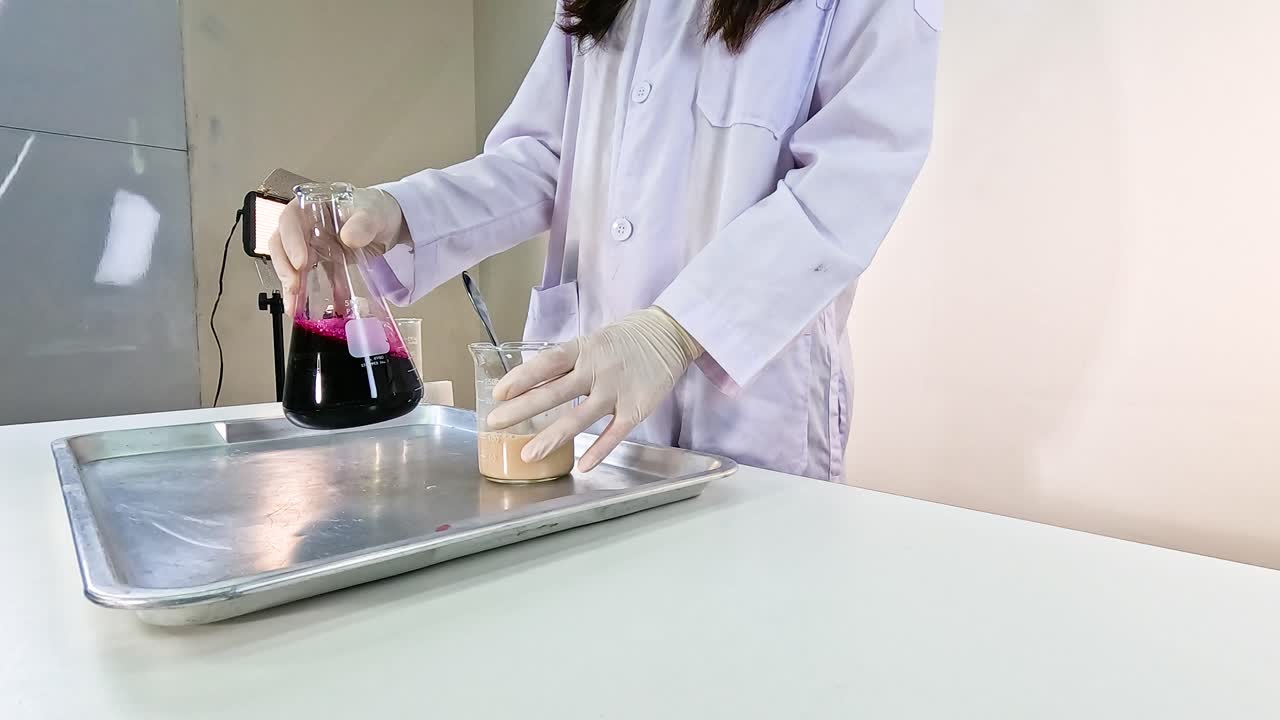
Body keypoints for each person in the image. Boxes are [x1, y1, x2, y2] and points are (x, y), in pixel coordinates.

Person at [271, 0, 941, 481]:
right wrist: (398, 212)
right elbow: (545, 155)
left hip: (750, 408)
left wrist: (676, 331)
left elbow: (853, 178)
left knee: (748, 641)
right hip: (591, 397)